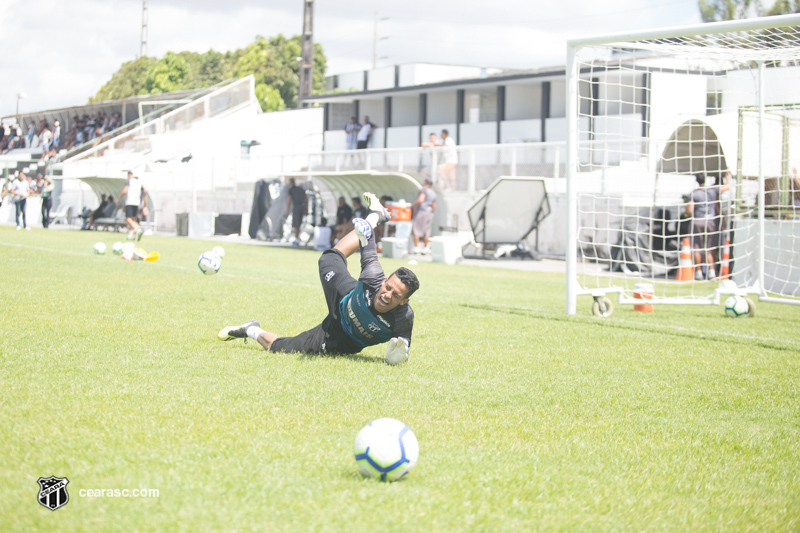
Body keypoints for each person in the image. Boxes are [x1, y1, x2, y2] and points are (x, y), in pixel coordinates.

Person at [218, 192, 418, 365]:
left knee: (283, 349)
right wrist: (371, 222)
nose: (387, 294)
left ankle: (250, 330)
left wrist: (397, 358)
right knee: (329, 258)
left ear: (404, 301)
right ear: (384, 282)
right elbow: (367, 242)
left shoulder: (403, 318)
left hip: (341, 338)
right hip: (344, 296)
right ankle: (377, 214)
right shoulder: (373, 278)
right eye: (388, 287)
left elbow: (401, 349)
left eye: (395, 294)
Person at [687, 170, 730, 280]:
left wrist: (686, 212)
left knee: (696, 248)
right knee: (710, 248)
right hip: (710, 222)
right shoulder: (712, 191)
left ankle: (698, 273)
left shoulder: (694, 193)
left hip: (697, 221)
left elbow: (690, 210)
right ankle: (711, 272)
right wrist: (727, 175)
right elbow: (727, 186)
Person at [117, 171, 148, 240]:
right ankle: (129, 236)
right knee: (133, 220)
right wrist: (145, 206)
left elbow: (124, 191)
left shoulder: (129, 180)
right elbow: (144, 192)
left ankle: (138, 229)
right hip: (138, 203)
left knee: (128, 219)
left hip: (130, 202)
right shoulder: (140, 182)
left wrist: (118, 199)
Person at [412, 178, 437, 254]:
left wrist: (412, 205)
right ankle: (426, 248)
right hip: (429, 213)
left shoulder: (424, 190)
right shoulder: (433, 192)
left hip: (421, 212)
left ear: (425, 182)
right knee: (427, 231)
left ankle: (416, 247)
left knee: (416, 230)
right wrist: (430, 212)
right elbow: (434, 206)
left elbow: (420, 200)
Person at [286, 178, 308, 246]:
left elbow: (289, 200)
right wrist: (306, 209)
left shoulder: (291, 190)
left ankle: (296, 239)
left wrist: (287, 210)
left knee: (295, 224)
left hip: (297, 207)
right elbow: (306, 199)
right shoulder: (301, 189)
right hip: (302, 207)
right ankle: (297, 238)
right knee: (299, 223)